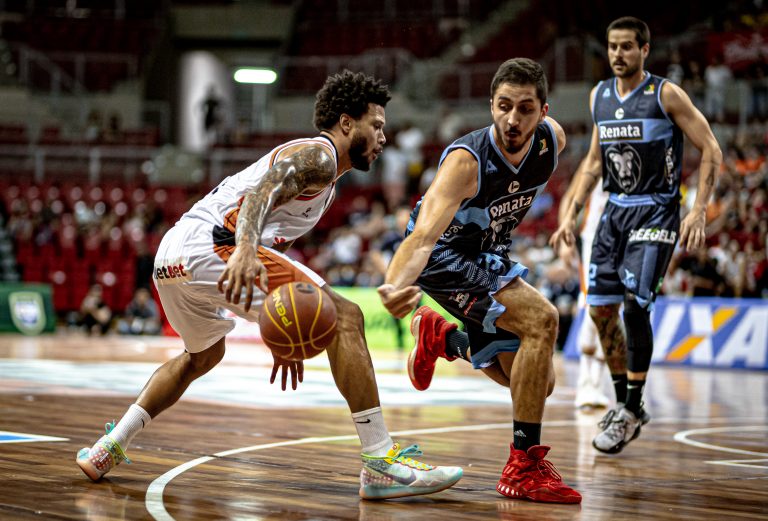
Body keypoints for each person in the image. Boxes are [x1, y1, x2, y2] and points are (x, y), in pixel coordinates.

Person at [76, 70, 462, 500]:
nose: (383, 137)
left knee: (202, 356)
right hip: (214, 244)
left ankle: (109, 446)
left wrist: (285, 328)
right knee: (346, 316)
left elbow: (276, 250)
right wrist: (244, 248)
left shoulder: (326, 184)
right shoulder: (319, 156)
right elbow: (263, 192)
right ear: (346, 123)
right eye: (377, 125)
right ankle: (380, 461)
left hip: (172, 258)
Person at [378, 58, 581, 504]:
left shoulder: (553, 141)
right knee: (542, 320)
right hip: (444, 256)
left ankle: (443, 338)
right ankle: (522, 467)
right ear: (491, 105)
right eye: (504, 106)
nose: (513, 119)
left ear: (543, 112)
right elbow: (421, 237)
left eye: (525, 108)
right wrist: (394, 287)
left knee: (534, 383)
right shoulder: (465, 162)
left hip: (487, 255)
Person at [550, 17, 722, 454]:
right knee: (600, 311)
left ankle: (629, 407)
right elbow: (593, 161)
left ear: (645, 50)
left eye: (627, 46)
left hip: (657, 210)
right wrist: (570, 213)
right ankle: (626, 405)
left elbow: (710, 148)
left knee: (634, 304)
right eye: (612, 46)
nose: (618, 54)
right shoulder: (600, 96)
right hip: (613, 213)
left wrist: (698, 208)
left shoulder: (666, 94)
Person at [558, 167, 611, 410]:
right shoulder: (596, 160)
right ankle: (584, 382)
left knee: (611, 312)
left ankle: (597, 384)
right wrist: (565, 237)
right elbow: (570, 198)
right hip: (593, 241)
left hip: (622, 243)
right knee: (593, 307)